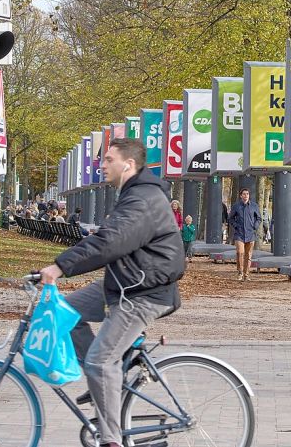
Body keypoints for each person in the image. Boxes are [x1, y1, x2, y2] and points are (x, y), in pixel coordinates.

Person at [38, 138, 185, 447]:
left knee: (100, 362)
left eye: (108, 159)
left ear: (128, 164)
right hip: (124, 283)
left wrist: (60, 266)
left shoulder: (142, 199)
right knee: (65, 314)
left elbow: (109, 242)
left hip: (144, 292)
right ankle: (103, 385)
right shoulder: (133, 194)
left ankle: (111, 440)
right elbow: (111, 238)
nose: (101, 165)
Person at [229, 188, 261, 281]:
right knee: (240, 252)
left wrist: (255, 226)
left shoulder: (254, 206)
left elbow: (259, 218)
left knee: (248, 255)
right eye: (244, 194)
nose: (246, 195)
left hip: (250, 234)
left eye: (247, 194)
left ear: (249, 195)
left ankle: (246, 274)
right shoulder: (236, 206)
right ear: (241, 196)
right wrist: (236, 226)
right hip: (239, 234)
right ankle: (240, 272)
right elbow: (230, 218)